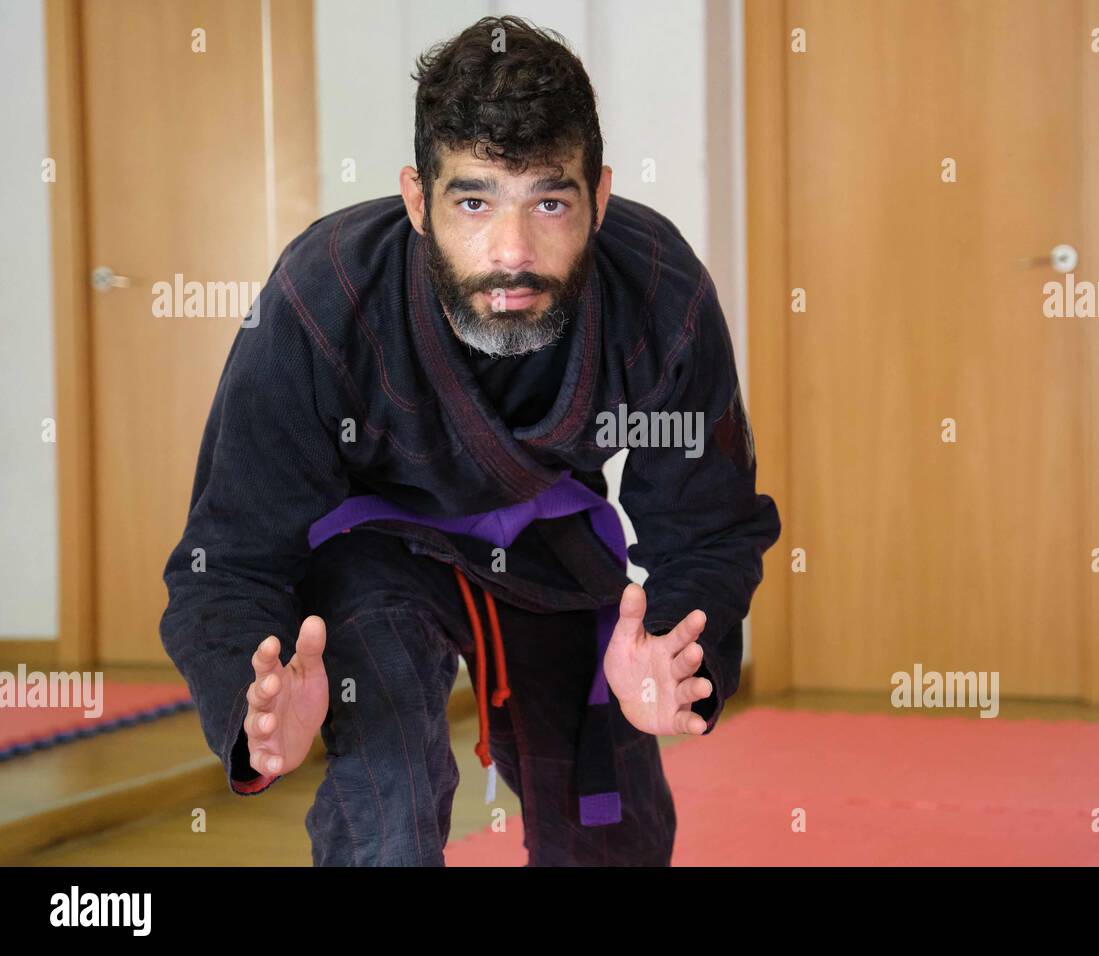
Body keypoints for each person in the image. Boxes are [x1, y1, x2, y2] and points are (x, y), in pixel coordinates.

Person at [159, 14, 779, 866]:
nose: (512, 253)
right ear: (417, 199)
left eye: (549, 202)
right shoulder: (323, 297)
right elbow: (226, 555)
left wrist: (677, 644)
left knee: (615, 834)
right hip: (374, 558)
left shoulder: (659, 294)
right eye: (475, 200)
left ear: (600, 198)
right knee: (392, 798)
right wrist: (249, 694)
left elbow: (708, 527)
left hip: (551, 552)